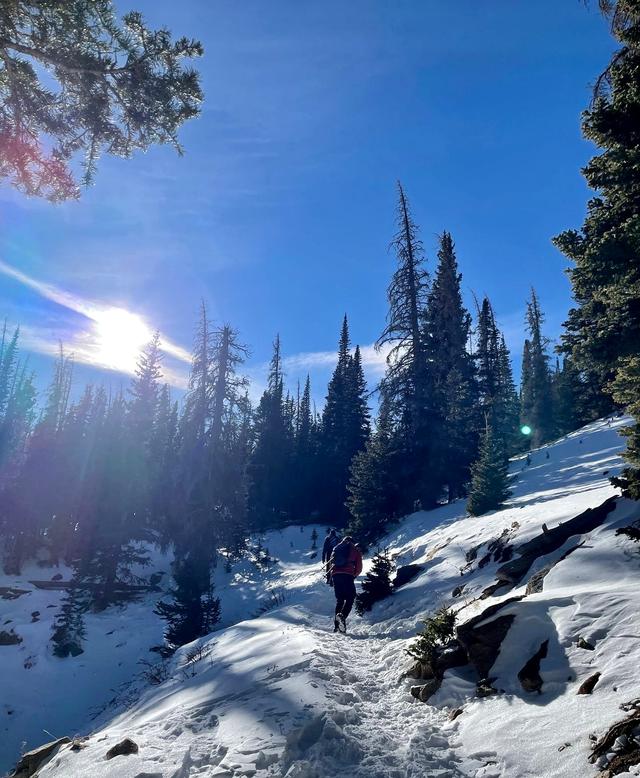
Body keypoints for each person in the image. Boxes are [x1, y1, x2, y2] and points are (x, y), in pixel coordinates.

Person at [329, 535, 363, 633]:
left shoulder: (336, 549)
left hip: (336, 575)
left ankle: (336, 627)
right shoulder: (355, 550)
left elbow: (332, 564)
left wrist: (333, 576)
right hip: (347, 575)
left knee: (340, 600)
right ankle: (342, 617)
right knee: (350, 598)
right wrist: (353, 575)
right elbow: (359, 568)